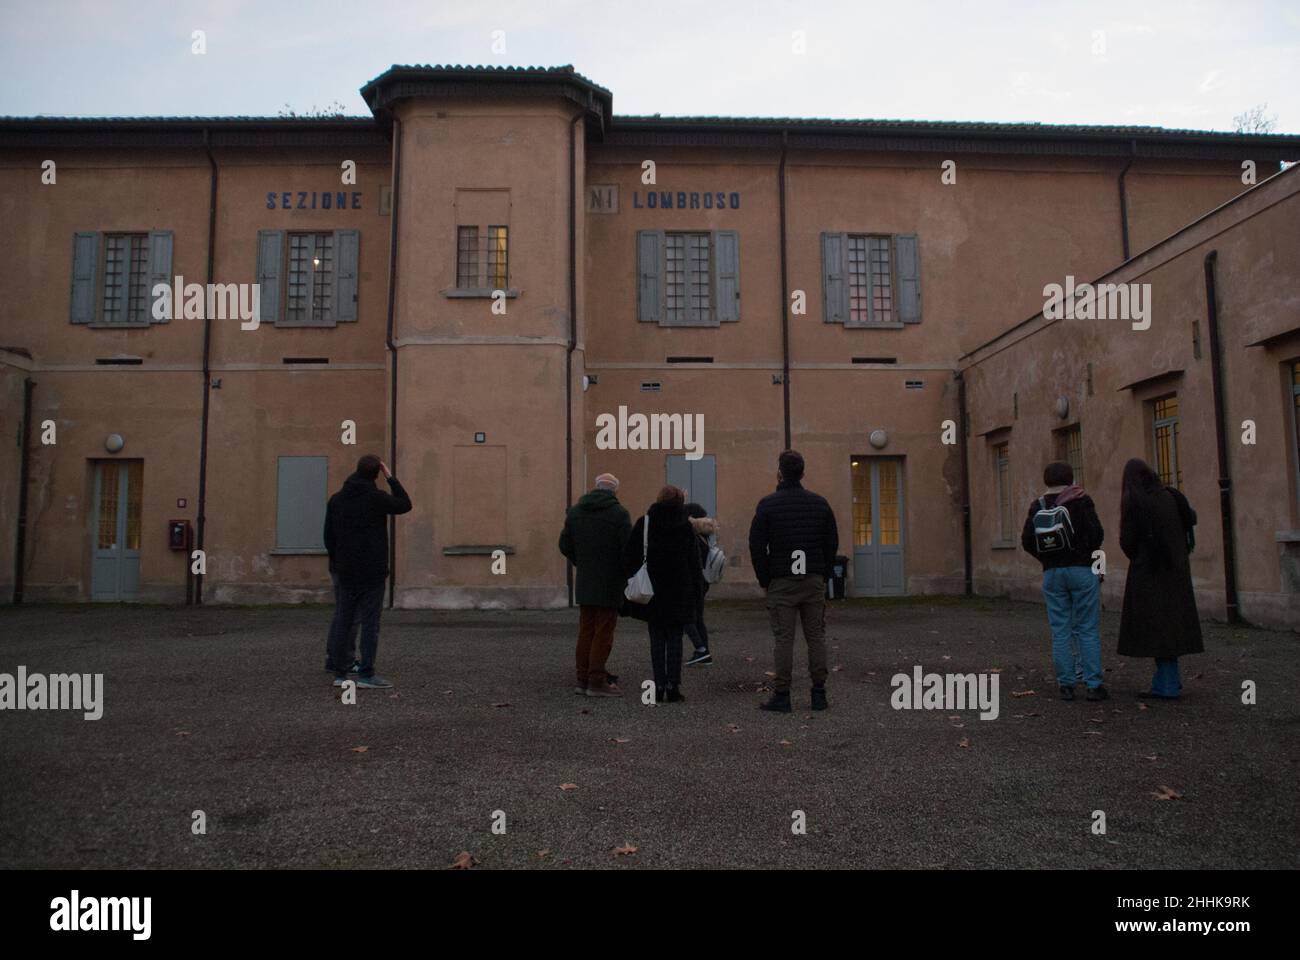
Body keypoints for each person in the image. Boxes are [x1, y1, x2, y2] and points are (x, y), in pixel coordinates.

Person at [748, 450, 839, 713]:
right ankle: (819, 693)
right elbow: (831, 542)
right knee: (816, 637)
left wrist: (765, 578)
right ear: (803, 473)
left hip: (782, 579)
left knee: (784, 639)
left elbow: (756, 544)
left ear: (780, 472)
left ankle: (783, 693)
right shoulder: (820, 504)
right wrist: (823, 572)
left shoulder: (767, 505)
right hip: (812, 579)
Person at [323, 454, 412, 690]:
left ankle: (340, 673)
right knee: (370, 623)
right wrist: (391, 478)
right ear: (377, 473)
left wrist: (338, 561)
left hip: (345, 570)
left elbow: (328, 537)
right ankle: (366, 673)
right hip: (372, 571)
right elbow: (405, 504)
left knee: (344, 619)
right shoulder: (376, 498)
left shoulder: (337, 500)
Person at [1020, 461, 1107, 701]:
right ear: (1070, 479)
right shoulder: (1081, 501)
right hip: (1081, 569)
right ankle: (1093, 684)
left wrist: (1046, 559)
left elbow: (1027, 540)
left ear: (1047, 480)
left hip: (1052, 574)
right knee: (1087, 628)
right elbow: (1097, 534)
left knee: (1060, 630)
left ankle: (1066, 684)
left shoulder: (1038, 505)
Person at [1116, 458, 1202, 699]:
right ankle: (1168, 679)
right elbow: (1190, 521)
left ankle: (1167, 684)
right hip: (1175, 571)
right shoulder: (1173, 497)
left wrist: (1141, 554)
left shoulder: (1137, 503)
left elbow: (1127, 541)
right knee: (1171, 627)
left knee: (1157, 629)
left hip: (1150, 572)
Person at [623, 485, 702, 703]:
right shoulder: (685, 527)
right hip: (679, 588)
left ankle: (657, 686)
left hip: (653, 589)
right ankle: (673, 686)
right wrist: (697, 590)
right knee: (676, 638)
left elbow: (630, 556)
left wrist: (632, 578)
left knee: (657, 638)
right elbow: (694, 563)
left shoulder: (645, 524)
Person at [559, 473, 633, 698]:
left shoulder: (575, 512)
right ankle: (597, 680)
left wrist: (580, 562)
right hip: (610, 582)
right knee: (604, 632)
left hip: (586, 580)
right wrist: (624, 572)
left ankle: (583, 678)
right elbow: (627, 550)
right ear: (614, 491)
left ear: (595, 488)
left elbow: (564, 544)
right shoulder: (619, 514)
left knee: (586, 630)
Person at [684, 502, 717, 666]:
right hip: (703, 583)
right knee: (698, 619)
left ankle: (701, 649)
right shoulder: (705, 536)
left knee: (686, 617)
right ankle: (704, 653)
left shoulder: (693, 537)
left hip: (692, 583)